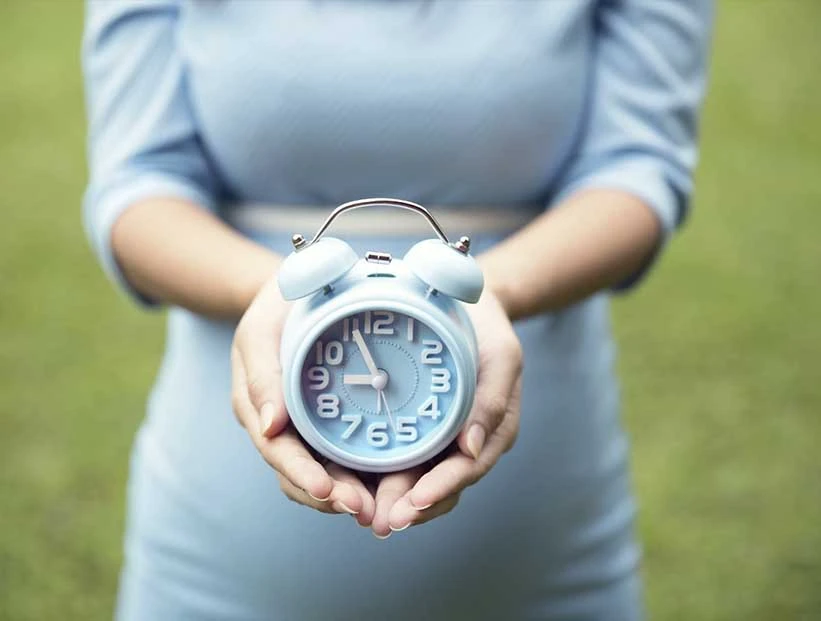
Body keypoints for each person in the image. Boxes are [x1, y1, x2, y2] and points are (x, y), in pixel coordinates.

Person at [82, 1, 712, 619]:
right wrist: (272, 293)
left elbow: (638, 166)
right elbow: (138, 183)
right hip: (214, 546)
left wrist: (494, 292)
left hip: (548, 537)